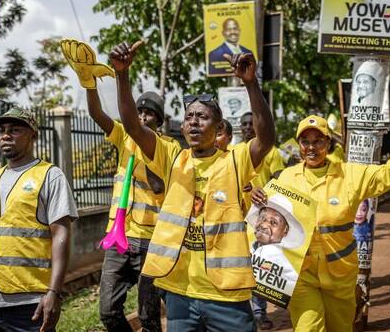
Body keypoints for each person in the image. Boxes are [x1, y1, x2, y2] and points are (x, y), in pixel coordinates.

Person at [111, 41, 275, 332]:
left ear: (219, 127)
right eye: (189, 117)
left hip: (227, 294)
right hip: (180, 294)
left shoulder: (235, 160)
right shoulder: (172, 157)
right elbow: (133, 127)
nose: (194, 122)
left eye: (203, 117)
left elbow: (266, 140)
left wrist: (251, 84)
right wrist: (122, 75)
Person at [251, 114, 390, 331]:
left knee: (340, 328)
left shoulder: (350, 175)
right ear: (299, 145)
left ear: (328, 143)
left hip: (340, 274)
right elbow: (263, 214)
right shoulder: (286, 178)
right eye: (305, 142)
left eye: (318, 141)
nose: (311, 147)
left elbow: (387, 175)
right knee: (307, 328)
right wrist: (254, 196)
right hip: (301, 274)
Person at [60, 38, 173, 331]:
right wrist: (89, 84)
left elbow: (159, 188)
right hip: (118, 237)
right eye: (140, 111)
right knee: (108, 311)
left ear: (159, 121)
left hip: (150, 240)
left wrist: (145, 157)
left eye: (150, 114)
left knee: (148, 318)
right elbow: (97, 115)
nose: (143, 116)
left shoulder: (167, 147)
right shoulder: (124, 136)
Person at [0, 107, 78, 332]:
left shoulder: (49, 175)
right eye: (2, 131)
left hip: (30, 305)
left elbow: (61, 235)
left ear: (33, 135)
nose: (5, 135)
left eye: (15, 130)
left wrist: (54, 292)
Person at [240, 111, 285, 330]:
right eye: (245, 124)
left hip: (262, 220)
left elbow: (279, 180)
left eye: (252, 123)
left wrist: (266, 196)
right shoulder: (234, 153)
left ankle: (259, 312)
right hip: (238, 219)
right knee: (241, 267)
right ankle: (243, 313)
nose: (248, 127)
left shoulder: (272, 152)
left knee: (259, 266)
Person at [248, 195, 304, 295]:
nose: (264, 225)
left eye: (273, 222)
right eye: (262, 218)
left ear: (285, 230)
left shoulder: (286, 270)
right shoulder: (248, 247)